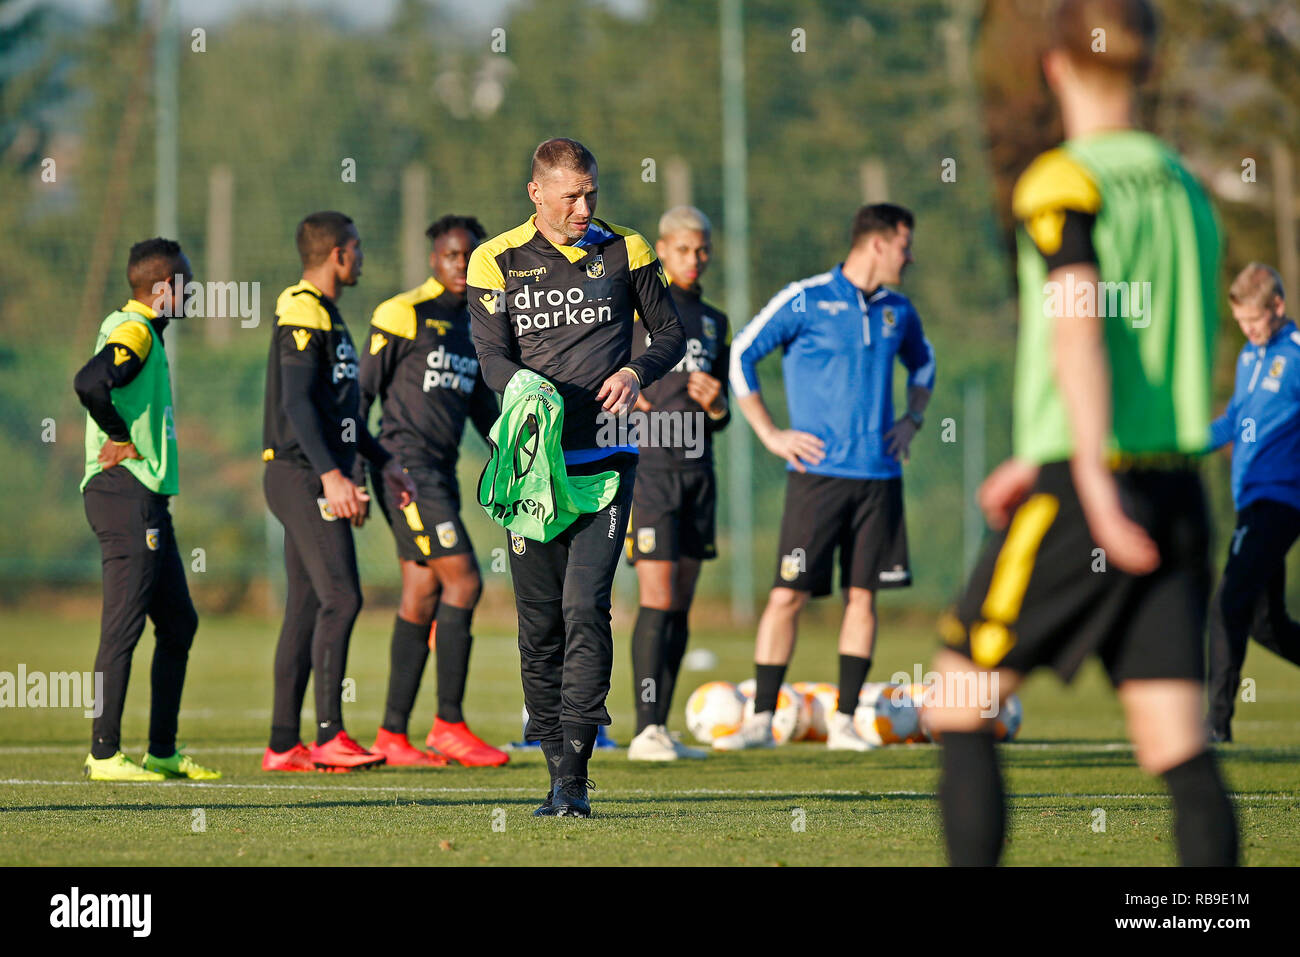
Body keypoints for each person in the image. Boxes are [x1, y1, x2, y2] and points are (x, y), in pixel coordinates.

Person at [926, 0, 1237, 866]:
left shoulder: (1063, 180)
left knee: (957, 698)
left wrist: (1089, 481)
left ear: (1054, 66)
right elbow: (1143, 346)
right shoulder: (1184, 187)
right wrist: (1037, 447)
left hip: (1089, 488)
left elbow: (1081, 325)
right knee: (1176, 739)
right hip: (1176, 486)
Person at [467, 137, 684, 816]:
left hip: (607, 464)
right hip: (533, 473)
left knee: (585, 607)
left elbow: (671, 335)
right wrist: (528, 387)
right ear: (537, 194)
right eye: (572, 195)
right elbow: (490, 360)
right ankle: (554, 773)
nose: (585, 206)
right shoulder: (493, 259)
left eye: (592, 192)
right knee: (538, 626)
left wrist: (635, 370)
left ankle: (576, 780)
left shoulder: (629, 249)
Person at [721, 203, 935, 751]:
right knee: (788, 596)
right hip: (816, 479)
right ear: (878, 245)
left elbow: (924, 365)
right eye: (904, 246)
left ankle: (844, 721)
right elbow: (742, 352)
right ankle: (761, 721)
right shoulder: (807, 297)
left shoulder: (898, 311)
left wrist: (912, 420)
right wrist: (771, 434)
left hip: (879, 479)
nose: (909, 257)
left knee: (863, 599)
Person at [261, 211, 416, 773]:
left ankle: (283, 745)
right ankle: (329, 735)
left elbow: (342, 413)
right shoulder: (301, 307)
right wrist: (332, 475)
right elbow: (298, 404)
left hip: (311, 469)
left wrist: (382, 460)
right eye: (357, 249)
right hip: (301, 473)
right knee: (343, 598)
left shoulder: (328, 315)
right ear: (338, 255)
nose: (362, 258)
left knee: (306, 606)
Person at [357, 214, 507, 767]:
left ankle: (392, 736)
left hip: (438, 472)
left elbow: (481, 411)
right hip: (405, 469)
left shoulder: (474, 326)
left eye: (470, 256)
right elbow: (360, 398)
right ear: (433, 259)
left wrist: (516, 451)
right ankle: (448, 725)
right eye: (452, 256)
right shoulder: (402, 313)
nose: (461, 266)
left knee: (421, 593)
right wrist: (358, 468)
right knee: (465, 581)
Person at [74, 238, 220, 782]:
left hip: (145, 499)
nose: (193, 290)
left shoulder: (143, 331)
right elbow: (89, 383)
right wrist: (117, 436)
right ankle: (105, 754)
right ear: (163, 290)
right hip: (124, 494)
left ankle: (162, 750)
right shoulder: (134, 329)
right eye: (185, 282)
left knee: (178, 622)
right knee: (123, 625)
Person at [626, 205, 730, 762]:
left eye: (703, 249)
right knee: (658, 598)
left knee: (683, 603)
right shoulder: (638, 311)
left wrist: (716, 407)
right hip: (650, 473)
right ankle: (644, 728)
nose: (694, 259)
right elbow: (597, 368)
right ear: (661, 251)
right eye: (683, 249)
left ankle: (662, 727)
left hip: (698, 471)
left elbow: (726, 414)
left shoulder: (715, 321)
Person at [1205, 263, 1300, 742]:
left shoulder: (1297, 356)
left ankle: (1214, 727)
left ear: (1277, 307)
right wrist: (1181, 441)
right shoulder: (1249, 357)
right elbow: (1233, 421)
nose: (1248, 330)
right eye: (1241, 322)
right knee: (1267, 622)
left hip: (1279, 502)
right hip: (1250, 501)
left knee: (1228, 603)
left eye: (1255, 321)